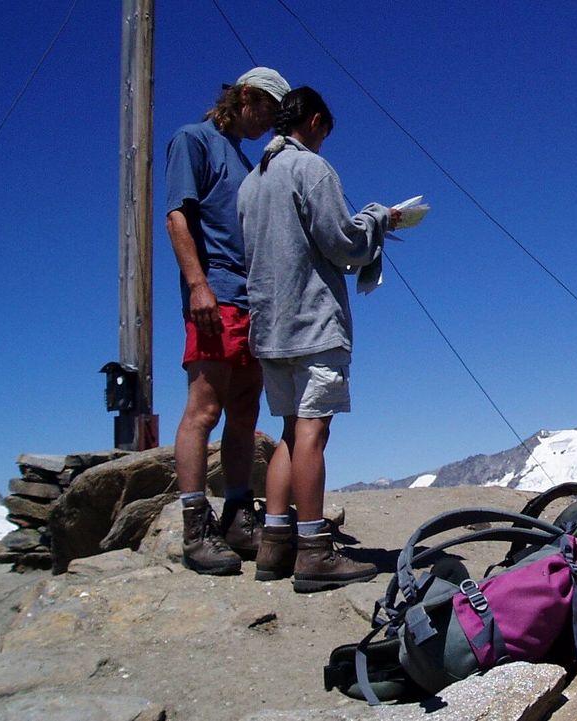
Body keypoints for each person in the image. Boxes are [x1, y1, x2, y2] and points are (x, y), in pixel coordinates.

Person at [238, 86, 399, 592]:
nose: (325, 142)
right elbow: (342, 243)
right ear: (311, 121)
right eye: (324, 131)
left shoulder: (252, 181)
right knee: (313, 431)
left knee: (289, 429)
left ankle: (274, 543)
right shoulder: (311, 170)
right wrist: (378, 219)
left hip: (269, 325)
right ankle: (313, 551)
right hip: (312, 320)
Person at [164, 67, 290, 575]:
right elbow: (177, 215)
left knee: (244, 409)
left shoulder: (245, 158)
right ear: (245, 97)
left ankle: (238, 514)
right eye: (267, 110)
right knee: (204, 407)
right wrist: (198, 284)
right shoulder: (193, 141)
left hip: (252, 296)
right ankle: (196, 526)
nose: (270, 123)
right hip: (215, 293)